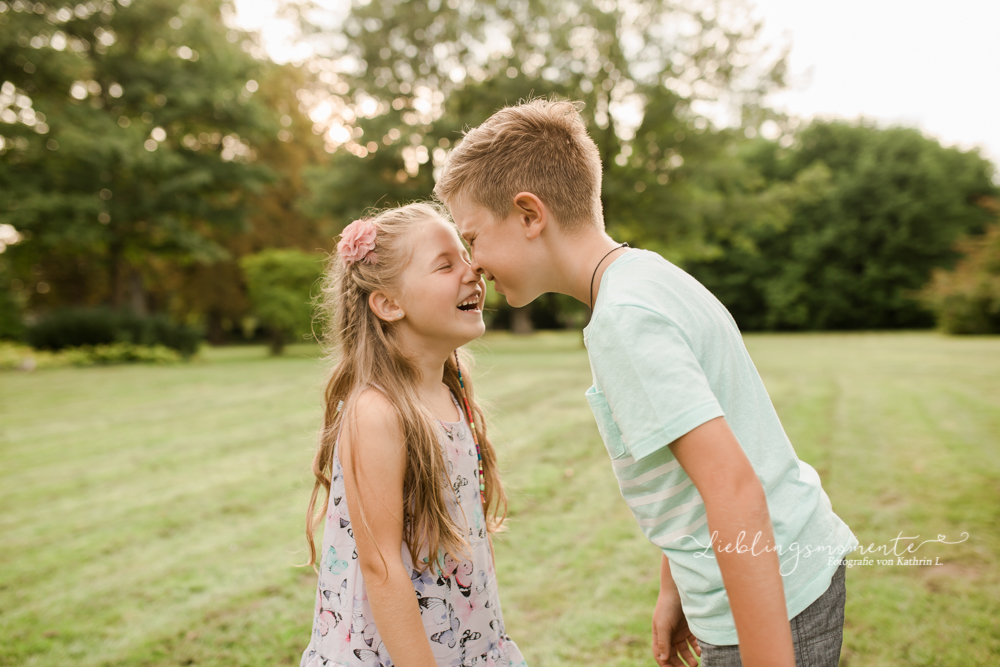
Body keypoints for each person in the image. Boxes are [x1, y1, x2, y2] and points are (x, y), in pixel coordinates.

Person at [435, 100, 858, 667]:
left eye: (474, 238)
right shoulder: (645, 277)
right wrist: (675, 586)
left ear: (530, 215)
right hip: (779, 576)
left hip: (767, 600)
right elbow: (691, 465)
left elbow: (734, 490)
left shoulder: (623, 322)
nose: (474, 262)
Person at [300, 203, 528, 667]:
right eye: (446, 264)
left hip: (465, 641)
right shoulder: (377, 413)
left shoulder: (451, 391)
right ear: (388, 303)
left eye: (468, 256)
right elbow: (381, 568)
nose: (474, 271)